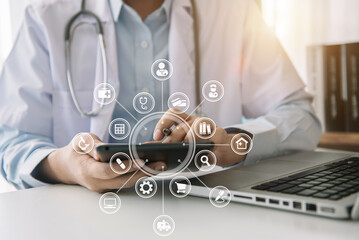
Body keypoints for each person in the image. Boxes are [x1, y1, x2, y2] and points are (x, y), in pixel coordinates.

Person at [0, 0, 321, 193]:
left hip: (208, 214)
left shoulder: (233, 10)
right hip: (79, 219)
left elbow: (300, 117)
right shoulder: (47, 14)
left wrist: (232, 144)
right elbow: (11, 139)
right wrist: (67, 167)